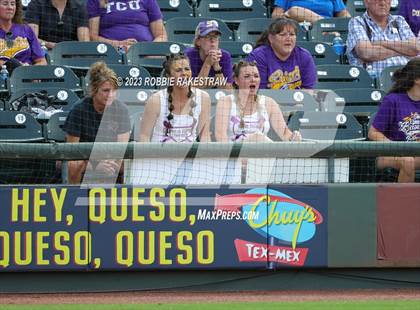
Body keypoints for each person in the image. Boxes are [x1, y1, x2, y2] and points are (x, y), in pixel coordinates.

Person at [63, 62, 130, 184]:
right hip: (84, 158)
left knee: (132, 164)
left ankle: (126, 200)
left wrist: (110, 162)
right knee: (73, 165)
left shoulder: (122, 110)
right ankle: (72, 199)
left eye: (114, 90)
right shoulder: (78, 110)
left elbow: (122, 148)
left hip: (111, 158)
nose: (110, 95)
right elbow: (72, 151)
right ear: (94, 90)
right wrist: (95, 165)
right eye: (105, 90)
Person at [215, 60, 301, 142]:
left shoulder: (269, 103)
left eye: (256, 76)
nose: (253, 79)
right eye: (247, 76)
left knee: (259, 138)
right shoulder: (226, 102)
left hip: (262, 154)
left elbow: (284, 133)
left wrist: (294, 137)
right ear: (236, 80)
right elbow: (220, 136)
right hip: (235, 154)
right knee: (257, 137)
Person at [138, 52, 211, 143]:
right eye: (178, 70)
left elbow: (205, 135)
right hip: (159, 154)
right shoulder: (155, 100)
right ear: (169, 77)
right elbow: (144, 136)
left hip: (190, 155)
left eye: (187, 69)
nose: (184, 73)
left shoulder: (203, 98)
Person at [368, 58, 420, 183]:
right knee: (408, 161)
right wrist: (395, 146)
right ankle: (403, 202)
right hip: (389, 154)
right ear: (417, 80)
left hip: (416, 153)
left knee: (410, 159)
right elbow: (373, 133)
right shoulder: (393, 100)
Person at [346, 0, 420, 77]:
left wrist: (381, 43)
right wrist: (403, 51)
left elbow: (415, 48)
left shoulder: (399, 20)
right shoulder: (357, 22)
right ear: (366, 2)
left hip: (407, 79)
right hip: (376, 82)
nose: (382, 3)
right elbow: (366, 53)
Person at [247, 18, 316, 90]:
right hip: (266, 100)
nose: (289, 39)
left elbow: (308, 89)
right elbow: (258, 91)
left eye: (292, 34)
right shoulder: (259, 56)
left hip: (297, 100)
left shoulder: (304, 56)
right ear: (271, 38)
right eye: (283, 35)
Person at [87, 0, 167, 51]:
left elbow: (161, 36)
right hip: (111, 50)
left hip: (145, 51)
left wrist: (145, 49)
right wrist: (118, 44)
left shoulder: (148, 1)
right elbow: (93, 37)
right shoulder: (97, 1)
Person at [185, 20, 233, 89]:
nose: (212, 40)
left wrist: (217, 68)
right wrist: (207, 63)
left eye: (215, 37)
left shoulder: (225, 56)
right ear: (198, 41)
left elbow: (228, 91)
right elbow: (192, 90)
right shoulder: (188, 56)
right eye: (208, 36)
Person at [25, 0, 90, 50]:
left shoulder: (80, 7)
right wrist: (48, 44)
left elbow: (84, 42)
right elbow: (32, 39)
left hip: (71, 53)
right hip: (43, 53)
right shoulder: (36, 4)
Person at [0, 0, 47, 68]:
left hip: (26, 75)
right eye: (5, 4)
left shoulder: (26, 29)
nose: (10, 7)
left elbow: (42, 61)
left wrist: (28, 69)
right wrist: (9, 65)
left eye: (12, 4)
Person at [272, 0, 351, 23]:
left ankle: (325, 27)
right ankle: (324, 26)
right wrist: (284, 17)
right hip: (299, 27)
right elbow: (276, 14)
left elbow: (343, 13)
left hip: (330, 28)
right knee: (294, 11)